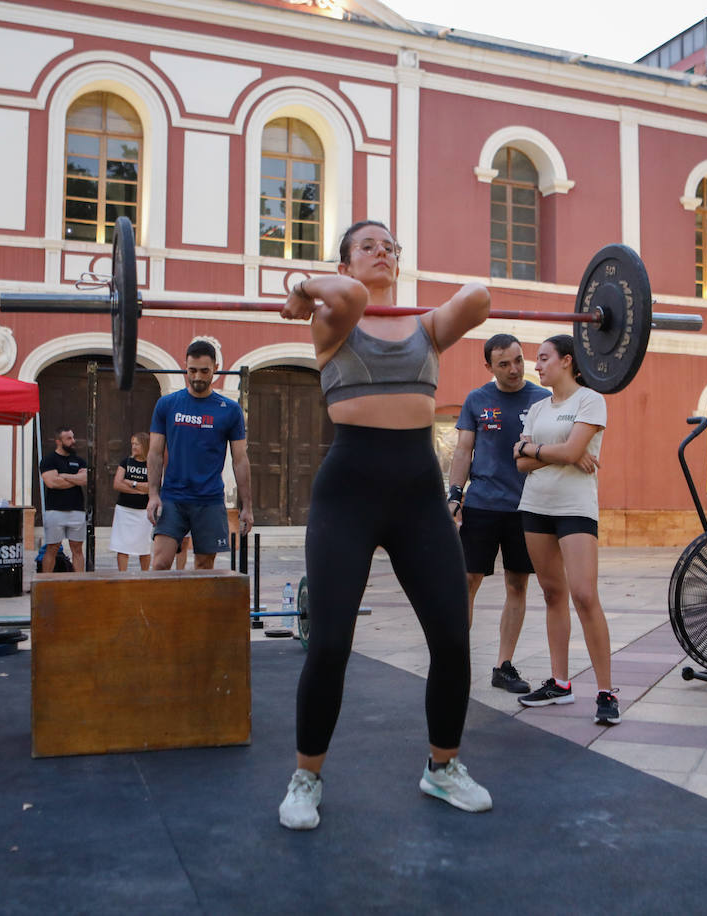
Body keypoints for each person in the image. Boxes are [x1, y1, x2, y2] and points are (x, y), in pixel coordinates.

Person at [275, 220, 491, 830]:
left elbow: (478, 298)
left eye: (391, 247)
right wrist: (304, 286)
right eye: (368, 246)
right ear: (343, 265)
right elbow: (349, 299)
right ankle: (305, 778)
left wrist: (305, 285)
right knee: (332, 643)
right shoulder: (334, 318)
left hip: (419, 495)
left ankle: (442, 768)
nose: (383, 252)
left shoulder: (426, 326)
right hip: (348, 494)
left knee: (452, 637)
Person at [511, 335, 618, 727]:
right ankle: (560, 683)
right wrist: (559, 453)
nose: (535, 366)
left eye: (542, 358)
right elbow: (519, 463)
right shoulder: (538, 407)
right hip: (535, 506)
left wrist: (535, 449)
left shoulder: (589, 400)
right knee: (552, 593)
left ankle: (606, 692)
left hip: (575, 509)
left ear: (567, 360)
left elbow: (567, 453)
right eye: (535, 360)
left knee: (584, 595)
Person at [446, 333, 549, 694]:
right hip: (482, 505)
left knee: (517, 584)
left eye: (519, 360)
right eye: (504, 364)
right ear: (488, 366)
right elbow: (463, 451)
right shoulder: (477, 400)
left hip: (526, 508)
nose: (514, 369)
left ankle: (503, 666)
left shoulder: (542, 398)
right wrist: (454, 496)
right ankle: (454, 664)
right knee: (467, 582)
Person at [146, 340, 252, 570]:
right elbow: (154, 453)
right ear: (186, 367)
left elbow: (240, 459)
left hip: (209, 500)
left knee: (204, 566)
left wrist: (247, 506)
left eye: (204, 371)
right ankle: (163, 608)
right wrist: (153, 494)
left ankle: (192, 608)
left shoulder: (230, 410)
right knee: (160, 563)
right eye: (192, 370)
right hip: (173, 497)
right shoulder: (167, 405)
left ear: (215, 367)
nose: (198, 377)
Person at [40, 427, 88, 573]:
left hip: (76, 510)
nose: (73, 441)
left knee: (77, 549)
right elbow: (52, 482)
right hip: (55, 511)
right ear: (58, 441)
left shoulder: (79, 461)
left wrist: (64, 476)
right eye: (68, 438)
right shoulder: (49, 460)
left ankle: (78, 583)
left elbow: (85, 479)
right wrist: (75, 479)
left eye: (73, 437)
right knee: (52, 548)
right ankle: (46, 582)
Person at [110, 432, 151, 571]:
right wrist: (139, 489)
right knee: (122, 545)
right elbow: (117, 483)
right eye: (132, 443)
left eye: (137, 444)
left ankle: (145, 576)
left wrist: (132, 483)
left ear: (144, 445)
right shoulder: (125, 462)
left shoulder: (151, 463)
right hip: (125, 509)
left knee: (144, 546)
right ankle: (122, 575)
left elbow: (151, 487)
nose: (133, 447)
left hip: (144, 511)